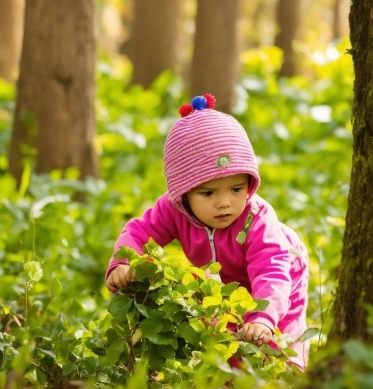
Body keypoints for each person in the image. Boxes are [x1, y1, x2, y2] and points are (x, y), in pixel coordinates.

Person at [105, 94, 309, 369]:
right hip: (226, 282)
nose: (224, 202)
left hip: (282, 271)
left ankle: (289, 378)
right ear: (184, 193)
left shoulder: (256, 218)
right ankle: (228, 377)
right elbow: (140, 231)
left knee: (273, 338)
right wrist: (123, 262)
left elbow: (270, 271)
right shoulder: (173, 210)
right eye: (208, 192)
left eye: (237, 189)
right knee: (225, 331)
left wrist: (262, 317)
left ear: (249, 183)